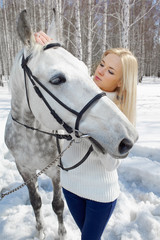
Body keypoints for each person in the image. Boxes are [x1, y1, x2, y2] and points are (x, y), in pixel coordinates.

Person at [35, 31, 138, 240]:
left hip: (99, 194)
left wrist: (92, 131)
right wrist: (52, 47)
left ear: (120, 81)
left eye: (110, 71)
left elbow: (111, 164)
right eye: (102, 64)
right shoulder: (76, 93)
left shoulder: (117, 113)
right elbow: (66, 69)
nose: (100, 72)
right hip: (71, 187)